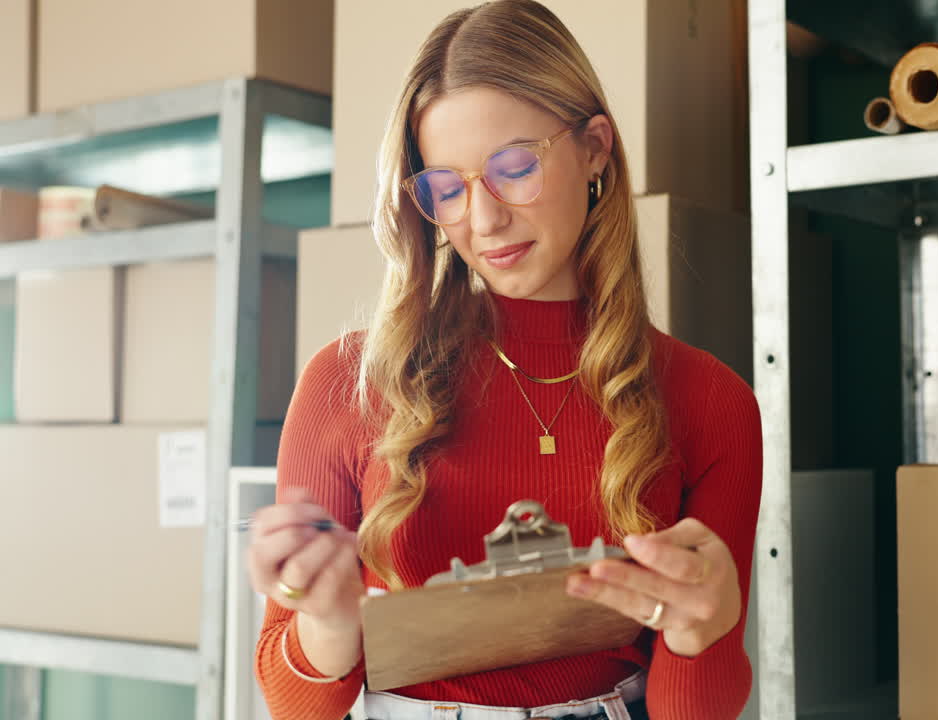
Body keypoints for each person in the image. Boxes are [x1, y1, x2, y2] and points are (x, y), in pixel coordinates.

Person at [247, 2, 762, 718]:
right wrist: (328, 621)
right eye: (446, 189)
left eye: (514, 167)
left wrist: (704, 631)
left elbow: (691, 708)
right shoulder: (346, 384)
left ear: (595, 150)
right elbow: (293, 703)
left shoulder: (712, 401)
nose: (482, 220)